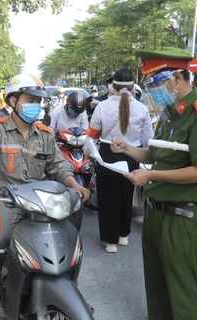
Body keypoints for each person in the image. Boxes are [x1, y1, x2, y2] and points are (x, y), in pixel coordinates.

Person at [111, 50, 197, 319]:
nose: (153, 93)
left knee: (181, 293)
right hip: (156, 214)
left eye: (155, 86)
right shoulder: (170, 115)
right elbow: (155, 154)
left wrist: (151, 176)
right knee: (157, 288)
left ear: (176, 78)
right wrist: (128, 149)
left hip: (182, 218)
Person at [0, 73, 91, 319]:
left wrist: (73, 185)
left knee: (70, 236)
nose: (35, 106)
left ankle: (71, 290)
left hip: (42, 201)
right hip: (9, 199)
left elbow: (59, 167)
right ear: (13, 101)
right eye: (30, 100)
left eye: (38, 101)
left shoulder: (46, 134)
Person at [87, 68, 153, 253]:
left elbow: (92, 136)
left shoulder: (102, 106)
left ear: (112, 86)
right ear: (133, 86)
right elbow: (148, 138)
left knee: (108, 199)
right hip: (133, 155)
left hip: (107, 155)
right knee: (126, 196)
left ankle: (110, 242)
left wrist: (89, 155)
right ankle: (124, 235)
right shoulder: (141, 109)